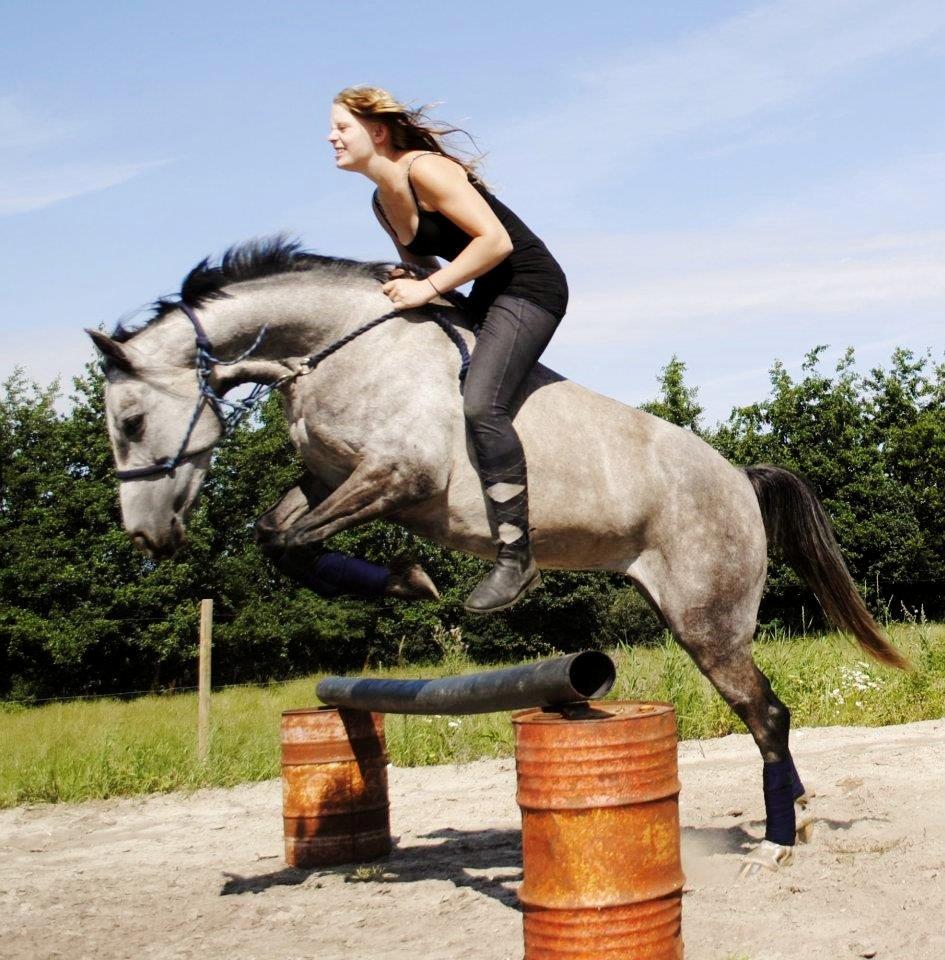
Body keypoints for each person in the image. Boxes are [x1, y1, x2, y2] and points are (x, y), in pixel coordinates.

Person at [328, 86, 568, 614]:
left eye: (341, 128)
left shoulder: (426, 171)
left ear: (377, 131)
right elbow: (429, 272)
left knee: (482, 403)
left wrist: (426, 290)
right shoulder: (381, 202)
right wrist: (408, 280)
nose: (331, 137)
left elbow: (495, 242)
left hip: (529, 286)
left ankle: (515, 555)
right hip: (486, 292)